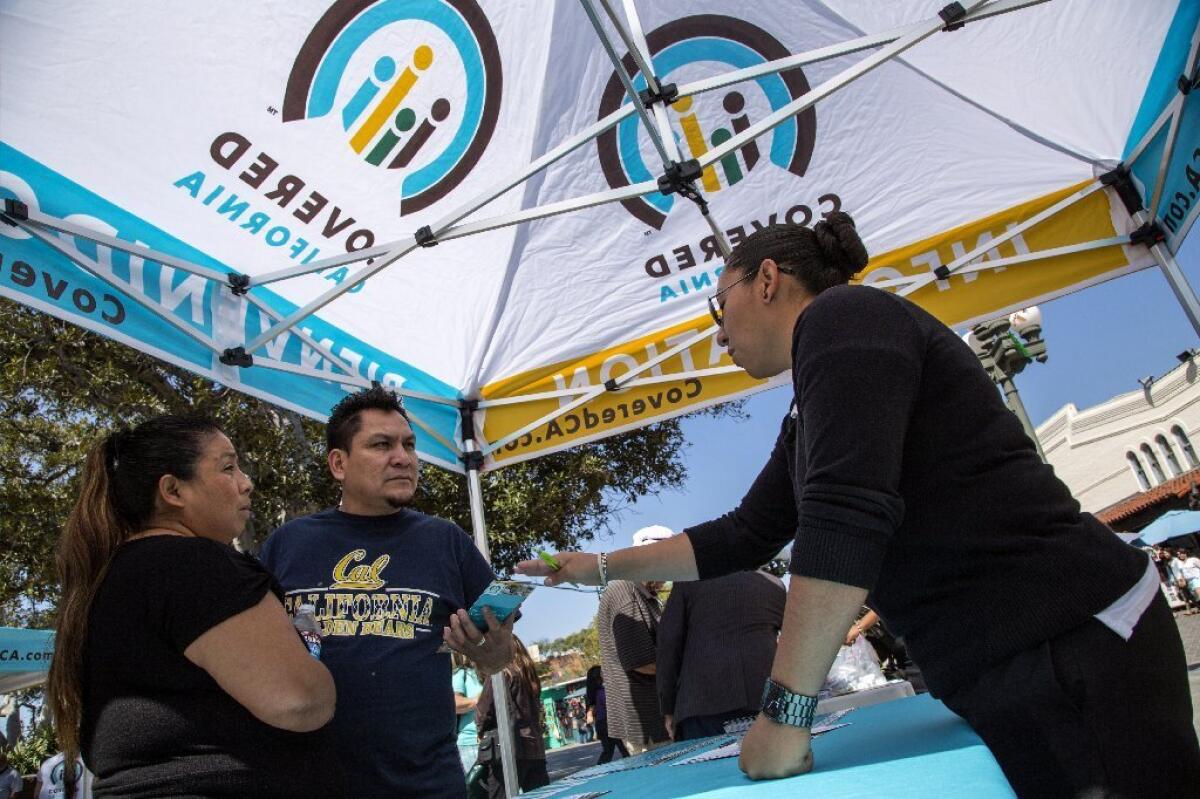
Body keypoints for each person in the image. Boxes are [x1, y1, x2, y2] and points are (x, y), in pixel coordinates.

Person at [518, 214, 1200, 797]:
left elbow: (844, 513)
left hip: (1076, 640)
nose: (718, 331)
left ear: (766, 279)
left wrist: (784, 715)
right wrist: (597, 566)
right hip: (1018, 660)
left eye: (717, 303)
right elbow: (744, 532)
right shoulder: (812, 400)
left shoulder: (845, 317)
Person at [45, 416, 338, 797]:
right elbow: (300, 700)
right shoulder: (194, 563)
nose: (245, 482)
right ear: (173, 490)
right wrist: (317, 662)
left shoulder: (110, 578)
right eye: (228, 467)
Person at [259, 387, 514, 799]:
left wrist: (490, 654)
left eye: (409, 445)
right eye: (381, 444)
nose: (403, 457)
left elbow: (501, 654)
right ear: (338, 464)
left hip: (428, 786)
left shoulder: (446, 541)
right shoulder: (287, 544)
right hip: (311, 783)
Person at [657, 569, 786, 741]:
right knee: (770, 764)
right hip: (765, 698)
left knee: (709, 766)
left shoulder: (688, 582)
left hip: (703, 703)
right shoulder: (775, 585)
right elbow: (791, 642)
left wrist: (668, 707)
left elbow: (669, 643)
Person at [596, 526, 672, 755]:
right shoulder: (625, 591)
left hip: (651, 720)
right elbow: (640, 661)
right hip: (646, 724)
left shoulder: (642, 594)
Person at [474, 636, 549, 798]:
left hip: (508, 749)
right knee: (541, 795)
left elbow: (484, 710)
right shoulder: (530, 677)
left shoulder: (500, 672)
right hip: (534, 748)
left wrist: (480, 730)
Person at [585, 665, 628, 764]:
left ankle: (600, 769)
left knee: (608, 752)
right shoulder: (602, 692)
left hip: (601, 724)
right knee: (624, 748)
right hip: (610, 723)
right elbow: (611, 706)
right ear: (599, 677)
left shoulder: (591, 694)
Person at [453, 652, 484, 773]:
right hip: (471, 745)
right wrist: (479, 700)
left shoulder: (491, 672)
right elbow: (454, 704)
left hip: (495, 741)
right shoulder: (462, 673)